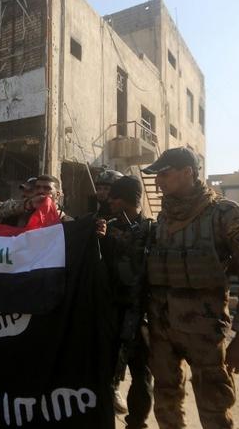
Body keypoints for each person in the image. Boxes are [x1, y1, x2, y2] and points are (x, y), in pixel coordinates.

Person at [142, 147, 239, 429]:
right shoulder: (162, 218)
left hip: (204, 333)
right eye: (156, 176)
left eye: (165, 174)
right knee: (165, 402)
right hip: (162, 331)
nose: (158, 182)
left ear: (188, 172)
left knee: (214, 408)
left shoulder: (224, 214)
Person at [102, 176, 153, 428]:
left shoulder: (152, 231)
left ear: (129, 201)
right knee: (104, 371)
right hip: (110, 313)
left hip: (139, 315)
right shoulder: (106, 228)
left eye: (116, 197)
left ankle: (136, 423)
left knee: (141, 373)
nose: (110, 201)